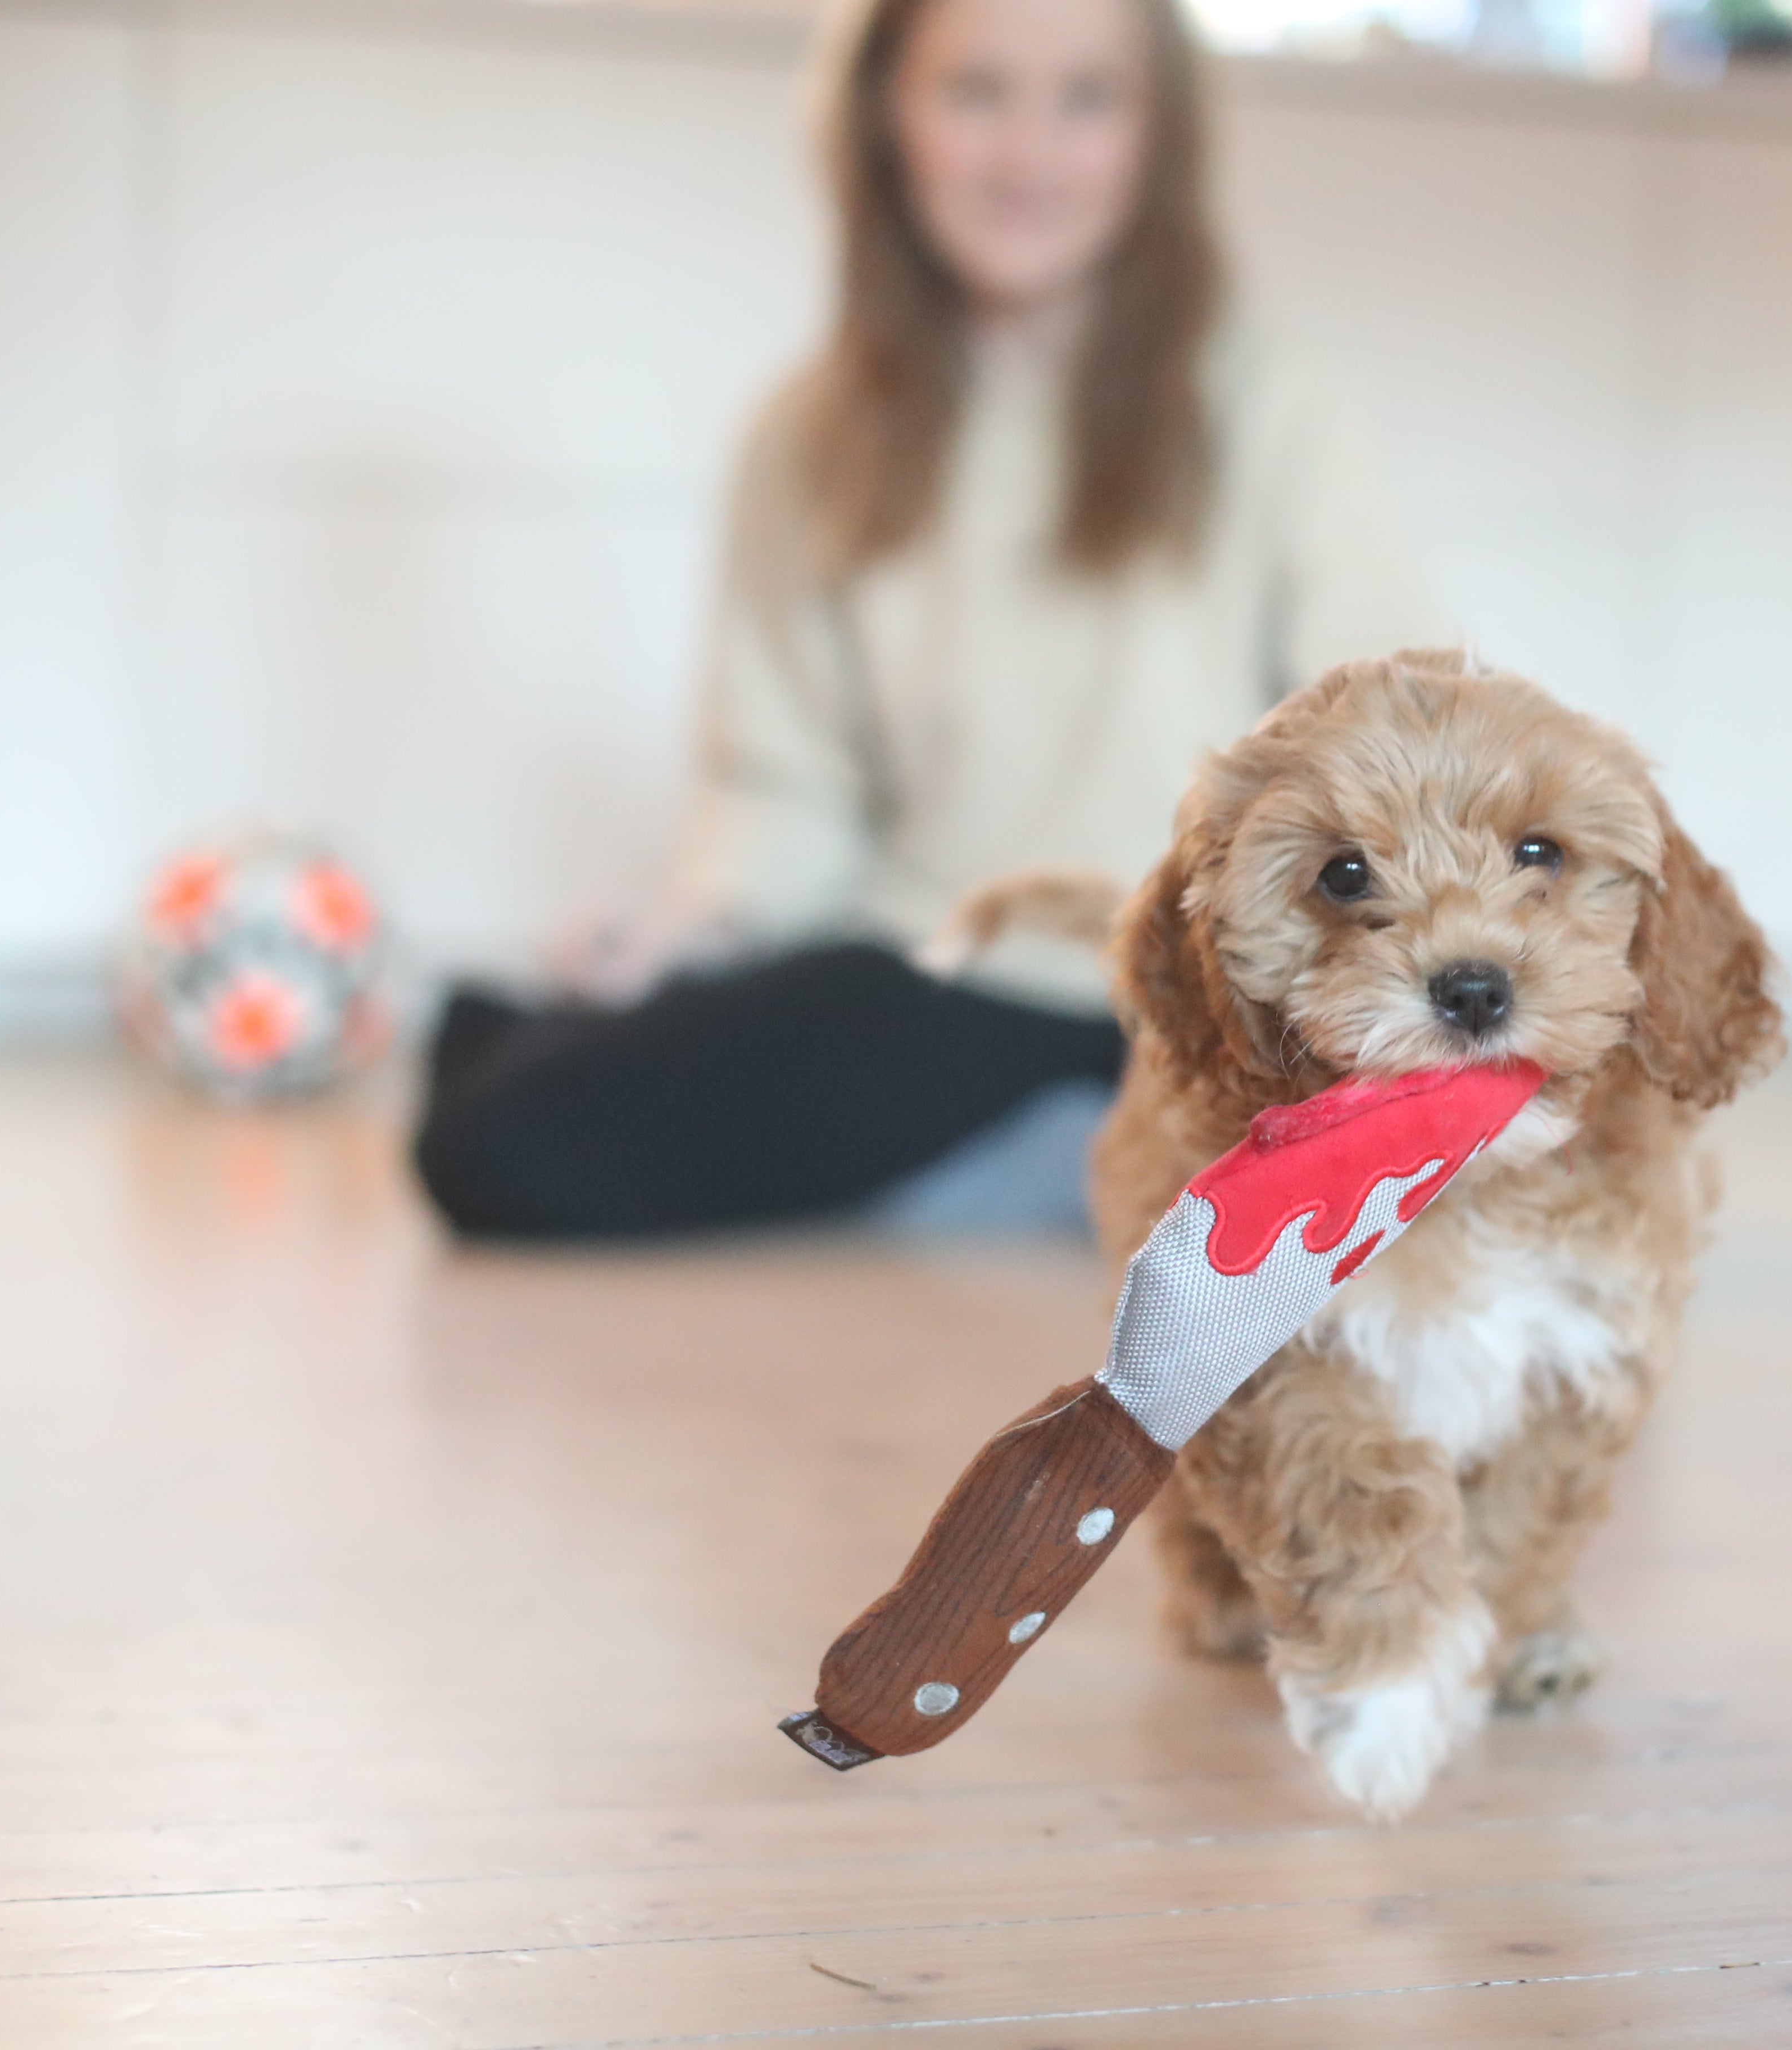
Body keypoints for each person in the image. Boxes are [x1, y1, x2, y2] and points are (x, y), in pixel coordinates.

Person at [414, 0, 1445, 1239]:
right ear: (886, 115)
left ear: (1157, 134)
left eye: (1086, 99)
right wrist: (675, 939)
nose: (1028, 154)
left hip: (1193, 1000)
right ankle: (1074, 1165)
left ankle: (1088, 1150)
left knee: (493, 1140)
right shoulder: (804, 439)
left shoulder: (1277, 413)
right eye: (975, 94)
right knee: (473, 1069)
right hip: (930, 970)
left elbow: (1397, 756)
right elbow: (779, 794)